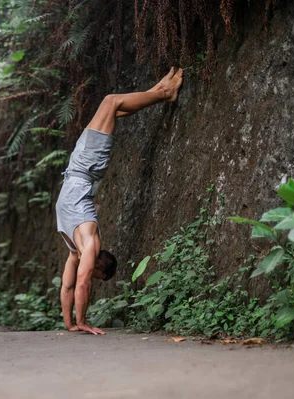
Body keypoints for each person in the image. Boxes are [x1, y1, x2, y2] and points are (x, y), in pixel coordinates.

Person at [56, 67, 184, 335]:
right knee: (110, 102)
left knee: (111, 105)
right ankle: (162, 93)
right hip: (86, 167)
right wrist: (82, 322)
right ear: (100, 264)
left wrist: (72, 324)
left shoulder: (74, 247)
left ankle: (161, 93)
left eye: (95, 277)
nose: (91, 275)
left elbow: (70, 286)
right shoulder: (89, 243)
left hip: (79, 167)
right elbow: (80, 284)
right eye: (97, 275)